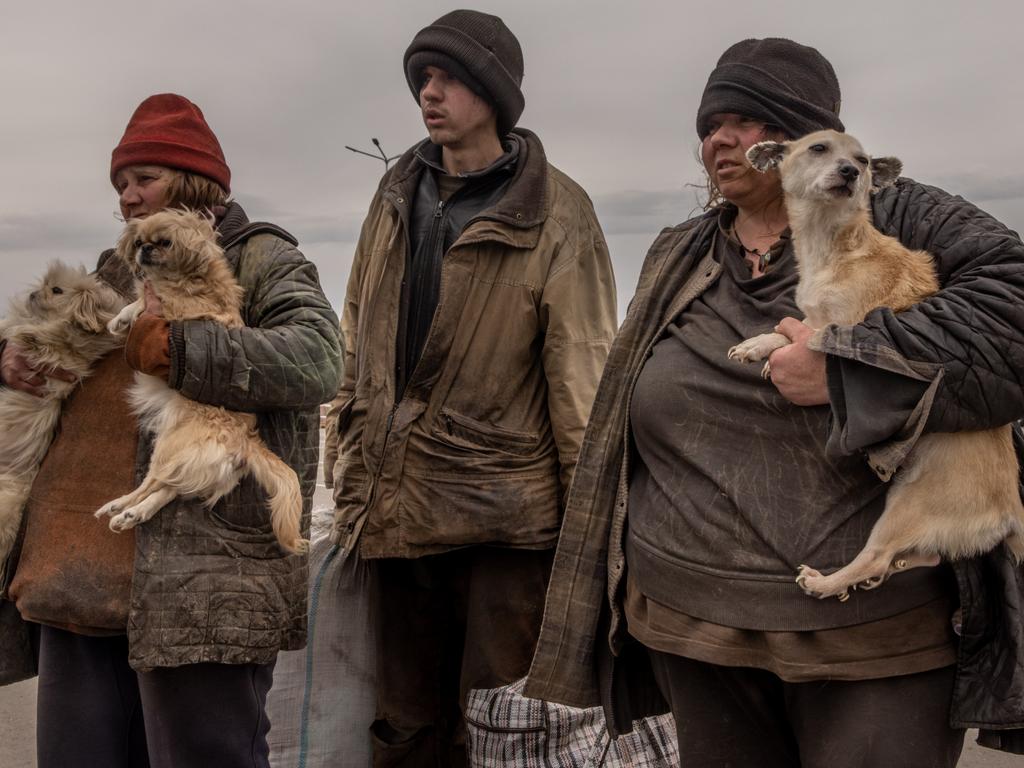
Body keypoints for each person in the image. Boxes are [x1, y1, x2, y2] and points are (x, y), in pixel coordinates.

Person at [525, 37, 1024, 767]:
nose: (720, 139)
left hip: (870, 643)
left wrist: (850, 369)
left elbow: (1015, 313)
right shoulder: (679, 253)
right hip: (690, 629)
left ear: (801, 137)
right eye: (708, 125)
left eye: (747, 119)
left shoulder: (900, 217)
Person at [0, 93, 342, 768]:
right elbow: (57, 348)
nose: (128, 197)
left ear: (195, 182)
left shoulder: (262, 259)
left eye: (143, 179)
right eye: (121, 184)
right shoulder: (115, 269)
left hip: (202, 585)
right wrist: (11, 358)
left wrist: (183, 351)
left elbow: (318, 359)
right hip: (82, 572)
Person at [324, 9, 617, 765]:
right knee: (403, 725)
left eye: (449, 76)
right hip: (397, 509)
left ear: (493, 92)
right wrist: (346, 459)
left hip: (505, 523)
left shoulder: (558, 210)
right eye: (423, 76)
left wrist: (591, 543)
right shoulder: (395, 195)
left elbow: (581, 377)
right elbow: (355, 336)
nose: (430, 90)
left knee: (502, 731)